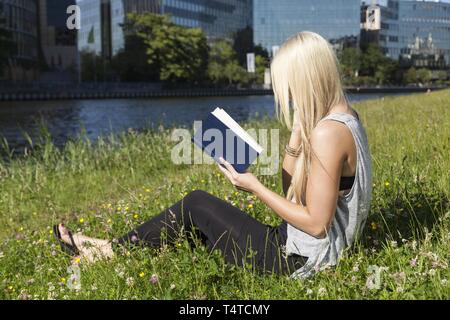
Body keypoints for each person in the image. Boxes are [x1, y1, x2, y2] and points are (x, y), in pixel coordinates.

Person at [54, 31, 372, 278]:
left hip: (295, 260)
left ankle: (105, 251)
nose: (285, 96)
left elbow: (317, 224)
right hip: (301, 245)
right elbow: (291, 190)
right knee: (192, 230)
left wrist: (254, 188)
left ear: (305, 80)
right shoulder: (345, 118)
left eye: (287, 86)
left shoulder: (328, 134)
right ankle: (106, 249)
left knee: (196, 203)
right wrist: (297, 134)